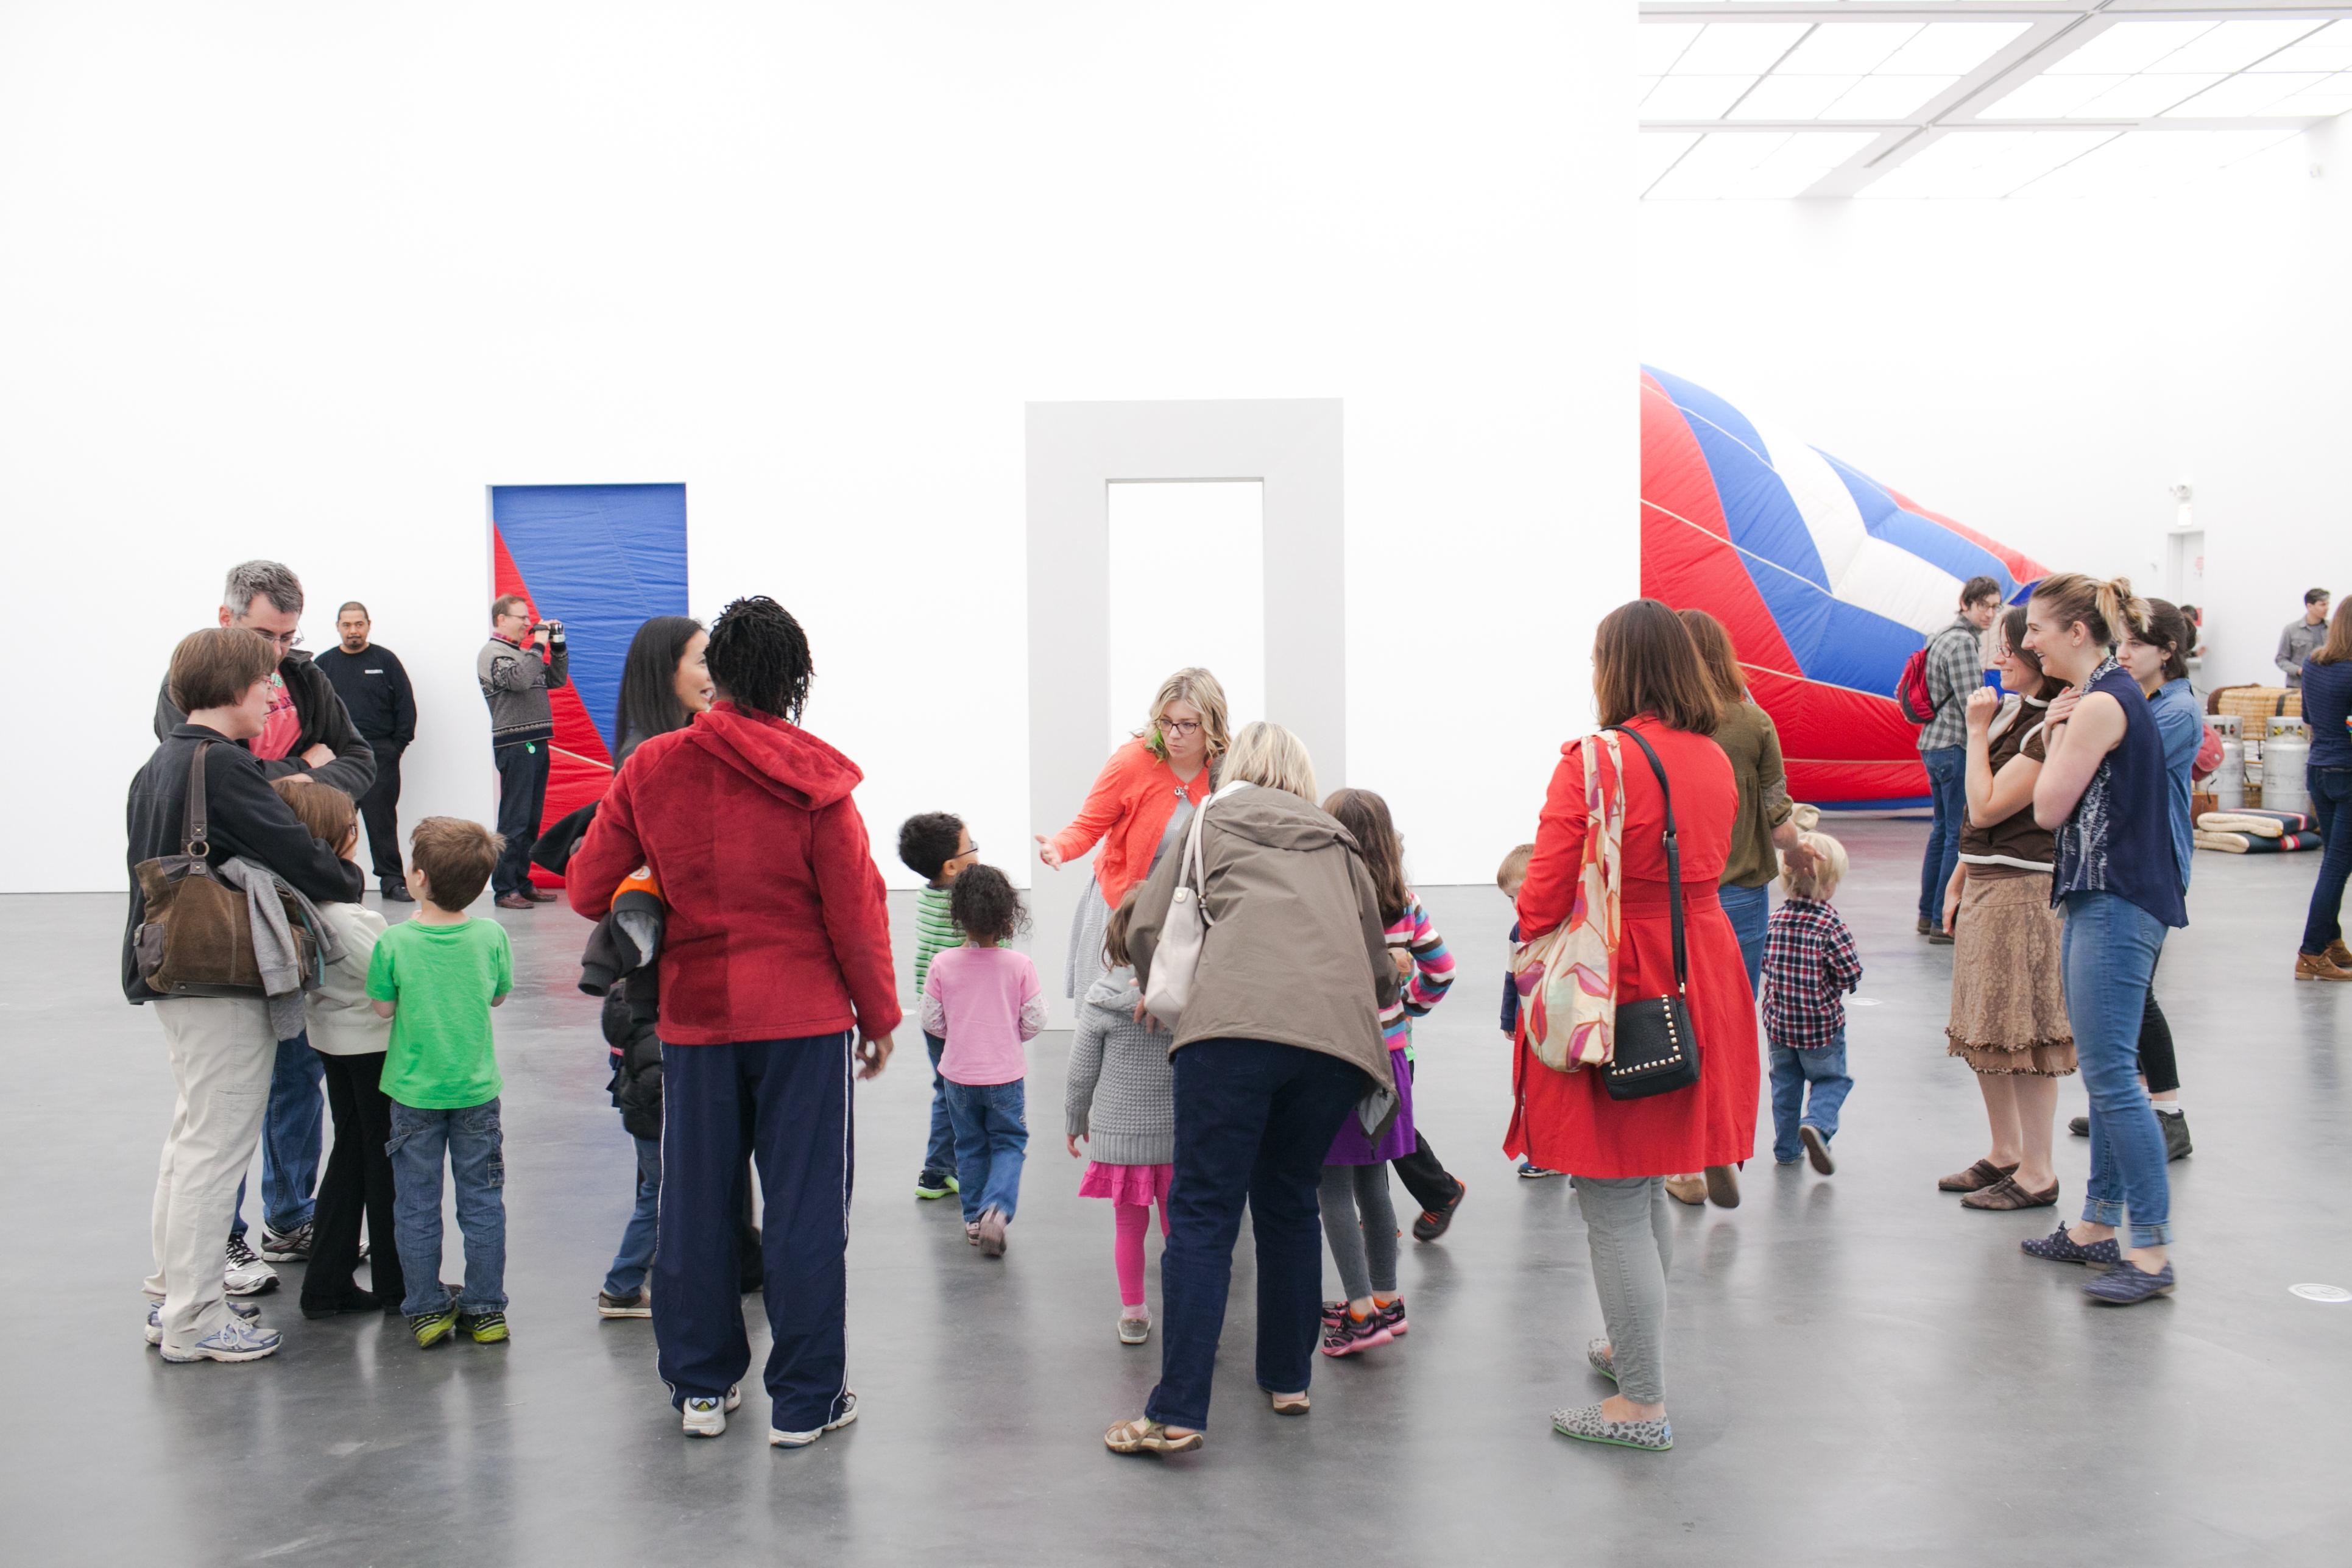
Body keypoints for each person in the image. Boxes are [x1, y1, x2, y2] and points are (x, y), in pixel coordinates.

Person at [566, 596, 898, 1450]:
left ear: (718, 673)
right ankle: (805, 1400)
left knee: (695, 1205)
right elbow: (854, 911)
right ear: (795, 678)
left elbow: (582, 887)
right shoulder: (818, 781)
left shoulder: (650, 769)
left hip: (696, 1018)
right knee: (806, 1209)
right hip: (803, 1020)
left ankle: (702, 1391)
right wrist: (880, 1013)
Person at [1104, 722, 1397, 1456]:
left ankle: (1176, 1413)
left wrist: (1160, 989)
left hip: (1231, 1033)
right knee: (1291, 1203)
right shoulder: (1338, 841)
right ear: (1299, 773)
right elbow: (1379, 962)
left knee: (1204, 1215)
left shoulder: (1209, 819)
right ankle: (1288, 1380)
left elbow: (1146, 925)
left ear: (1236, 766)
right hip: (1334, 1046)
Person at [1506, 598, 1758, 1455]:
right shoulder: (1715, 758)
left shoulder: (1592, 760)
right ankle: (1628, 1348)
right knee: (1646, 1176)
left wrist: (1534, 945)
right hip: (1699, 968)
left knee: (1610, 1190)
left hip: (1618, 975)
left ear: (1614, 667)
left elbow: (1543, 891)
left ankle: (1641, 1402)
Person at [129, 627, 362, 1363]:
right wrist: (344, 865)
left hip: (173, 969)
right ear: (233, 689)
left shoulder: (159, 765)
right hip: (221, 976)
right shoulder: (223, 768)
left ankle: (173, 1297)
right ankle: (196, 1319)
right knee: (214, 1145)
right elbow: (310, 862)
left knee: (191, 1137)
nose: (274, 695)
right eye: (266, 683)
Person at [155, 561, 376, 1284]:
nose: (278, 653)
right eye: (264, 635)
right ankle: (218, 1245)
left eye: (288, 635)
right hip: (229, 916)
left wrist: (302, 775)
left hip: (294, 908)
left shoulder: (309, 681)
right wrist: (299, 774)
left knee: (295, 1070)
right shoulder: (191, 688)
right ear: (227, 624)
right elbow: (219, 781)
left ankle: (288, 1217)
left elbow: (359, 759)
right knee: (220, 1113)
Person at [2019, 574, 2185, 1306]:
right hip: (2118, 897)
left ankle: (2149, 1251)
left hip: (2115, 902)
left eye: (2036, 631)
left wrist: (2053, 734)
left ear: (2077, 634)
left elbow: (2050, 807)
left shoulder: (2097, 706)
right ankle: (2095, 1226)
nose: (2027, 643)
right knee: (2112, 1074)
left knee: (2115, 1079)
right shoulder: (2119, 694)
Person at [1673, 607, 1811, 1208]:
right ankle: (1722, 1148)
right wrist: (1802, 844)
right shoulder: (1754, 722)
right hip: (1743, 901)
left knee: (1672, 1025)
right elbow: (1780, 826)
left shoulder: (1663, 725)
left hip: (1676, 898)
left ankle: (1682, 1163)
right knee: (1726, 1027)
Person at [1937, 606, 2074, 1210]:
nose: (1998, 660)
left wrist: (1973, 732)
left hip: (2023, 894)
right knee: (1988, 1029)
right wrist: (1962, 874)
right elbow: (1979, 818)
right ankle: (2005, 1152)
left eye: (2010, 649)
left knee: (2023, 1032)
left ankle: (2038, 1169)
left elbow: (1988, 805)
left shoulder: (2051, 724)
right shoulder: (2024, 715)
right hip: (1992, 884)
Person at [368, 816, 515, 1348]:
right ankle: (485, 1309)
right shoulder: (491, 934)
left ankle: (428, 1309)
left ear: (419, 879)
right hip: (476, 1090)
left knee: (415, 1203)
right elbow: (497, 995)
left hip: (413, 1093)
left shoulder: (396, 941)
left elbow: (383, 1008)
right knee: (482, 1201)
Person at [1317, 788, 1453, 1357]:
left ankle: (1355, 1313)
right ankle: (1387, 1301)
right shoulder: (1405, 902)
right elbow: (1440, 971)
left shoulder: (1328, 903)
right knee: (1373, 1182)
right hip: (1390, 1059)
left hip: (1337, 1056)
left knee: (1330, 1187)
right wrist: (1407, 1010)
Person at [273, 778, 408, 1321]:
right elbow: (396, 979)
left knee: (352, 1152)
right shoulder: (349, 918)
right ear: (340, 839)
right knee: (380, 1161)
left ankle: (329, 1281)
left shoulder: (298, 902)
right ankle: (399, 1283)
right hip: (371, 1048)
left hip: (330, 1040)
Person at [1037, 668, 1229, 996]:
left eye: (1187, 725)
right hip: (1121, 908)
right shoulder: (1132, 761)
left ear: (1211, 724)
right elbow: (1087, 825)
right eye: (1165, 722)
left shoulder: (1225, 769)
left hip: (1184, 912)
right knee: (1109, 1009)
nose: (1173, 734)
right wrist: (1059, 847)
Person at [2095, 601, 2199, 1160]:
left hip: (2156, 865)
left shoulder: (2177, 711)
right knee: (2121, 993)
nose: (2124, 654)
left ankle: (2168, 1114)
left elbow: (2118, 765)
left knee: (2137, 994)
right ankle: (2130, 1108)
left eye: (2135, 644)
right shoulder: (2143, 699)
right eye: (2120, 643)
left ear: (2168, 651)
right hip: (2132, 859)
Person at [1064, 892, 1176, 1344]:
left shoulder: (1101, 998)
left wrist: (1075, 1119)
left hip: (1122, 1135)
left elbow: (1080, 1071)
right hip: (1178, 1134)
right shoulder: (1188, 998)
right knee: (1181, 1229)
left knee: (1129, 1226)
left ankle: (1133, 1312)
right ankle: (1191, 1306)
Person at [923, 864, 1043, 1256]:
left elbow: (932, 1021)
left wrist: (958, 1034)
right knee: (1009, 1142)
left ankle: (974, 1220)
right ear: (1008, 917)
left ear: (959, 915)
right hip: (1005, 1075)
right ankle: (998, 1209)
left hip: (958, 1076)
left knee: (970, 1145)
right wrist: (1011, 1036)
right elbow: (1034, 1020)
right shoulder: (1019, 966)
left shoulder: (942, 964)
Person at [1760, 820, 1859, 1176]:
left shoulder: (1774, 921)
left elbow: (1763, 963)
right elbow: (1849, 972)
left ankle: (1787, 1150)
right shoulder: (1831, 925)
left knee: (1785, 1086)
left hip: (1779, 1025)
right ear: (1830, 885)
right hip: (1821, 1027)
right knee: (1831, 1080)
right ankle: (1817, 1125)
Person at [1916, 576, 2006, 942]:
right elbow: (1974, 701)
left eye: (1995, 606)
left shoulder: (1936, 637)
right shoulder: (1964, 643)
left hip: (1931, 743)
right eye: (1984, 605)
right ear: (1966, 603)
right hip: (1955, 745)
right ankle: (1944, 920)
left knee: (1941, 831)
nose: (1990, 613)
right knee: (1957, 833)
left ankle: (1927, 914)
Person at [314, 601, 418, 900]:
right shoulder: (324, 665)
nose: (353, 631)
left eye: (358, 624)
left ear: (368, 625)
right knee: (333, 822)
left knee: (381, 820)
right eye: (347, 625)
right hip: (337, 758)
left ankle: (392, 881)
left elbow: (406, 706)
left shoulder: (385, 660)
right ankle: (330, 882)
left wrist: (396, 747)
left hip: (379, 756)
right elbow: (313, 712)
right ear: (338, 627)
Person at [899, 811, 980, 1199]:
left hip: (933, 1015)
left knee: (945, 1087)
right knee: (963, 1092)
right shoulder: (962, 905)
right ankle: (949, 1169)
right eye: (972, 848)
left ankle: (938, 1171)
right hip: (961, 1017)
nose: (979, 854)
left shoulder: (928, 894)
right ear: (951, 866)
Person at [478, 594, 570, 909]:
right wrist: (538, 645)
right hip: (516, 744)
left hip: (536, 740)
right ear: (501, 619)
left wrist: (556, 646)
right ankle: (505, 888)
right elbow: (518, 681)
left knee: (530, 820)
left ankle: (522, 881)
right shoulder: (494, 653)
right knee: (514, 820)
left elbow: (556, 680)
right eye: (521, 618)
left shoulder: (522, 654)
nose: (528, 624)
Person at [2295, 597, 2352, 980]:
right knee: (2337, 865)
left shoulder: (2313, 664)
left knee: (2334, 858)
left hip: (2319, 770)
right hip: (2348, 774)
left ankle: (2331, 940)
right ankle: (2311, 952)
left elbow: (2308, 718)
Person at [1496, 843, 1559, 1181]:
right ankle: (1546, 1153)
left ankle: (1574, 1156)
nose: (1517, 904)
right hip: (1530, 1023)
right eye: (1510, 898)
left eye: (1521, 893)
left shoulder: (1564, 923)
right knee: (1533, 1091)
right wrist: (1509, 1019)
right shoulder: (1517, 932)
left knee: (1564, 1089)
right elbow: (1512, 975)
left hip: (1563, 1021)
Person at [2277, 587, 2331, 687]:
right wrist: (2299, 671)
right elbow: (2281, 659)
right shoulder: (2291, 630)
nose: (2327, 608)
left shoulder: (2333, 629)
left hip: (2325, 687)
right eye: (2323, 604)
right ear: (2310, 606)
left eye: (2328, 604)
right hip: (2298, 686)